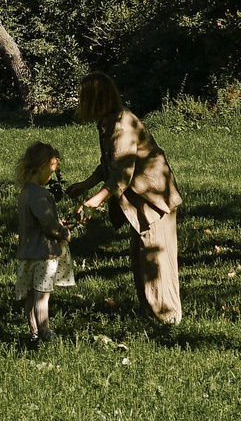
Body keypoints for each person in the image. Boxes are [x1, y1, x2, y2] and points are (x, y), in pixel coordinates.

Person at [65, 74, 184, 326]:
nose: (79, 102)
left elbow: (123, 173)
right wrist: (86, 185)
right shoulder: (106, 123)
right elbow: (109, 163)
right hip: (137, 200)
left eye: (83, 97)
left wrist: (95, 200)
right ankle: (148, 312)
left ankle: (166, 317)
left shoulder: (122, 125)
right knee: (140, 257)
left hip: (153, 199)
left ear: (95, 98)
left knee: (156, 259)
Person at [12, 140, 77, 346]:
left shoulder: (25, 193)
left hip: (27, 252)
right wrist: (64, 232)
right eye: (50, 171)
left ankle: (34, 331)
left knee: (30, 295)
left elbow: (37, 221)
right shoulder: (41, 195)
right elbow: (48, 226)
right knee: (42, 295)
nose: (51, 177)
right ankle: (45, 331)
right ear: (42, 167)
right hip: (43, 253)